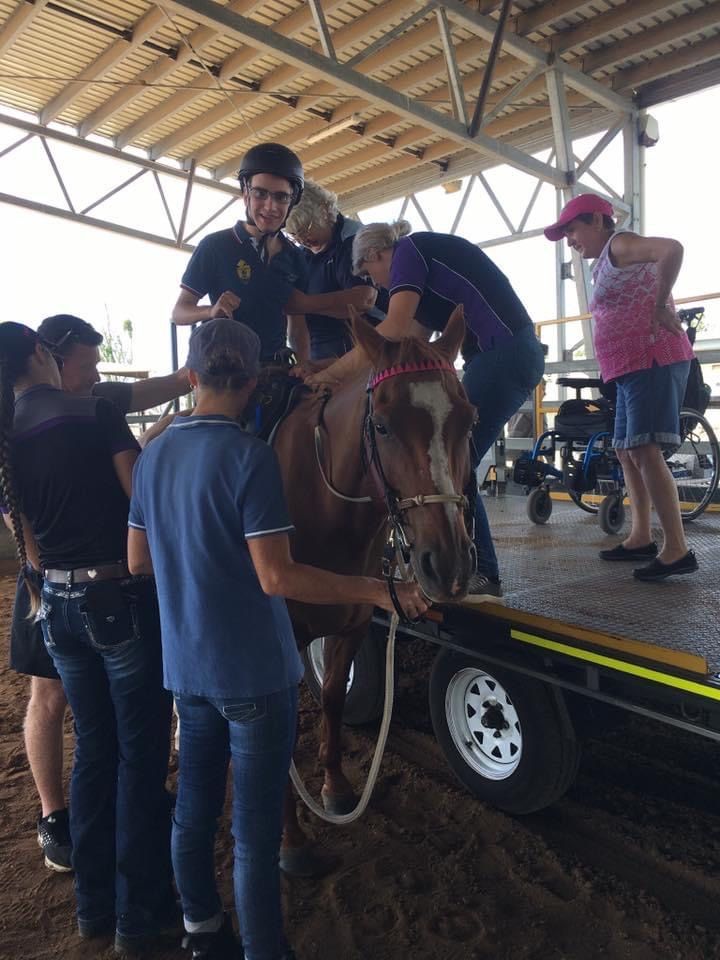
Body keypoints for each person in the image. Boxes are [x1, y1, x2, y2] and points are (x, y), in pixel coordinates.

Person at [127, 318, 427, 960]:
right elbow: (278, 576)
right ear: (257, 377)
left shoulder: (153, 455)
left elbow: (137, 561)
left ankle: (202, 931)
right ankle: (264, 948)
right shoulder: (250, 457)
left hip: (186, 666)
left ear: (191, 376)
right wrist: (380, 592)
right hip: (256, 675)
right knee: (256, 831)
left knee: (195, 810)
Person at [0, 321, 175, 955]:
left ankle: (93, 907)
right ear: (42, 356)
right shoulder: (94, 411)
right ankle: (141, 916)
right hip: (117, 604)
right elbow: (142, 502)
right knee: (140, 758)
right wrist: (156, 441)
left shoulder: (8, 438)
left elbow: (33, 547)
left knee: (95, 754)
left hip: (59, 611)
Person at [303, 221, 545, 599]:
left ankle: (481, 571)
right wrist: (338, 372)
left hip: (500, 354)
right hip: (509, 354)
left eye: (371, 273)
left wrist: (331, 376)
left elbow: (394, 330)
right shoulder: (428, 287)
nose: (379, 285)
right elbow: (401, 349)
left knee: (451, 463)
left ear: (379, 254)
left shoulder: (409, 253)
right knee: (451, 459)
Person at [544, 193, 698, 581]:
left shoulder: (620, 244)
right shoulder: (604, 263)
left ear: (597, 220)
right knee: (627, 451)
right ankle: (641, 536)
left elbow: (672, 249)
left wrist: (662, 305)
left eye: (572, 230)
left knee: (644, 450)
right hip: (628, 368)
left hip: (652, 358)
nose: (570, 241)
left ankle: (676, 548)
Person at [171, 143, 376, 359]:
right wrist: (210, 311)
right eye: (260, 193)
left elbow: (297, 325)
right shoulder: (215, 245)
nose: (270, 206)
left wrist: (302, 366)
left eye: (281, 197)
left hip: (273, 372)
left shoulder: (295, 256)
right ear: (245, 193)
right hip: (224, 375)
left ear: (292, 201)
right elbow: (180, 312)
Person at [285, 180, 388, 362]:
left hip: (368, 353)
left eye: (306, 228)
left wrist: (306, 304)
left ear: (325, 212)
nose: (302, 239)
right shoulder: (299, 256)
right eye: (294, 234)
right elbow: (295, 320)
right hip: (319, 357)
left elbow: (364, 299)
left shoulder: (353, 239)